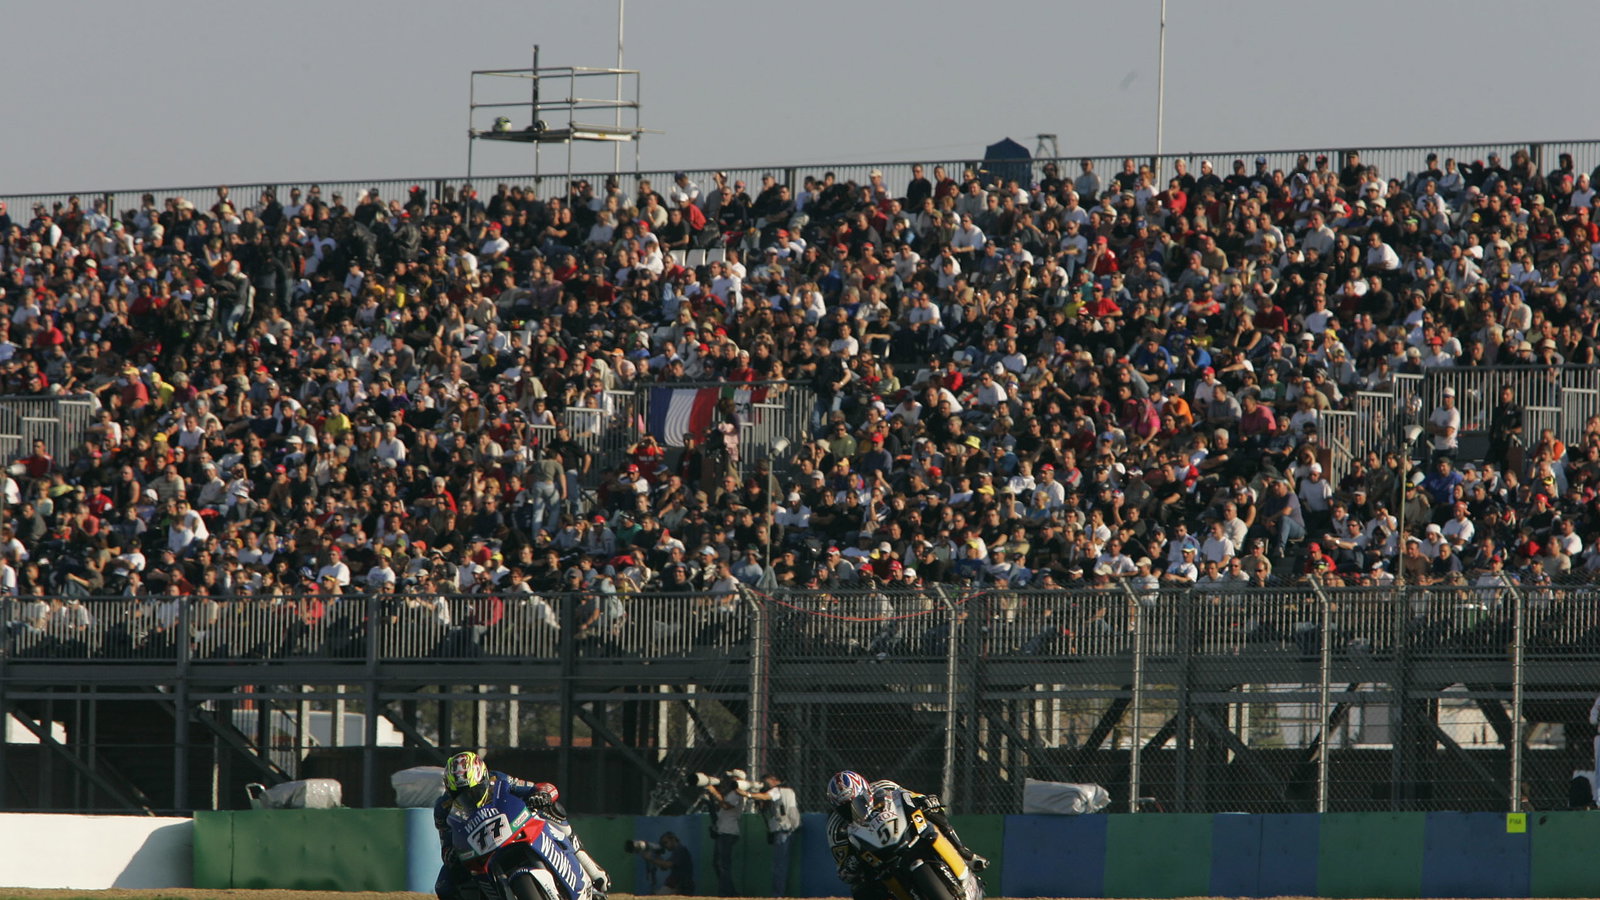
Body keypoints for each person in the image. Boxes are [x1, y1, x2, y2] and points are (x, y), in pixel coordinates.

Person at [433, 751, 609, 900]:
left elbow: (541, 787)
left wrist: (543, 795)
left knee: (553, 809)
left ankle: (589, 867)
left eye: (473, 790)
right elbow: (446, 844)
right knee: (444, 885)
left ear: (483, 778)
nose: (468, 796)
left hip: (514, 826)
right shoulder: (443, 808)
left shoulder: (499, 779)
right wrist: (451, 854)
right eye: (459, 794)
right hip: (479, 849)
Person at [824, 770, 985, 898]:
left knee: (932, 817)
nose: (852, 810)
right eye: (845, 808)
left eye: (857, 801)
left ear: (865, 790)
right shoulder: (835, 828)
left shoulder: (884, 786)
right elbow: (844, 870)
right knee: (861, 890)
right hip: (879, 860)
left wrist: (926, 801)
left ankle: (964, 853)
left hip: (905, 832)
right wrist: (851, 864)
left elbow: (911, 797)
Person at [738, 772, 801, 896]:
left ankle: (777, 894)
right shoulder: (789, 791)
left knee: (779, 864)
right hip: (790, 828)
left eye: (766, 781)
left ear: (773, 779)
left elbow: (765, 797)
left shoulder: (777, 791)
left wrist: (749, 794)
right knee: (782, 863)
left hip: (781, 829)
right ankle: (780, 893)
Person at [702, 768, 747, 896]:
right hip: (723, 831)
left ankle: (727, 892)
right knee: (718, 863)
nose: (729, 780)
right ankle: (728, 891)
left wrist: (714, 793)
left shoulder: (737, 793)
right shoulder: (732, 793)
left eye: (731, 778)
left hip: (728, 832)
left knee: (722, 863)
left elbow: (726, 806)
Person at [639, 831, 696, 895]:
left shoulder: (680, 850)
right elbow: (663, 867)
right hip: (679, 886)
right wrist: (657, 856)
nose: (665, 846)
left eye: (665, 843)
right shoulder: (677, 851)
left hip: (681, 886)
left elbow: (666, 865)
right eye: (663, 844)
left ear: (673, 839)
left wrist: (650, 858)